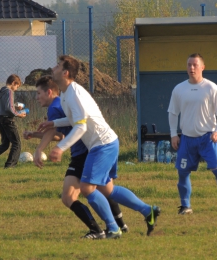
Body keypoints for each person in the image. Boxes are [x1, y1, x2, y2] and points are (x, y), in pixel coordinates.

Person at [37, 55, 161, 239]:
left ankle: (113, 229)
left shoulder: (74, 94)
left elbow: (81, 126)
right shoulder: (65, 93)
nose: (53, 68)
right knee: (108, 189)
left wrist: (61, 147)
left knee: (87, 188)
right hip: (106, 143)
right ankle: (148, 210)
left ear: (65, 72)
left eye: (57, 66)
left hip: (102, 145)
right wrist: (53, 122)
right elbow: (76, 119)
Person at [23, 75, 128, 239]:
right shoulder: (61, 104)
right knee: (104, 188)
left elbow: (54, 133)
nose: (36, 97)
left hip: (83, 154)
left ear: (49, 92)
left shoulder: (54, 107)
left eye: (38, 93)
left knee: (69, 196)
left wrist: (39, 149)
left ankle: (99, 230)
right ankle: (120, 225)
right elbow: (60, 135)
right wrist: (35, 134)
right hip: (89, 150)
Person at [167, 53, 217, 215]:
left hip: (208, 139)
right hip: (186, 139)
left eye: (195, 65)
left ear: (202, 67)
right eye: (189, 65)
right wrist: (174, 134)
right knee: (182, 173)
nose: (191, 68)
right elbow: (173, 112)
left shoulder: (211, 88)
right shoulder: (179, 89)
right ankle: (185, 206)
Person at [0, 74, 26, 168]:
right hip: (8, 120)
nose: (16, 89)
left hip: (0, 119)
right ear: (13, 83)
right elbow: (9, 109)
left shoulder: (1, 91)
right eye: (17, 86)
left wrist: (15, 106)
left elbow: (4, 106)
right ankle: (10, 165)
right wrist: (18, 114)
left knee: (5, 145)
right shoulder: (9, 92)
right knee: (17, 143)